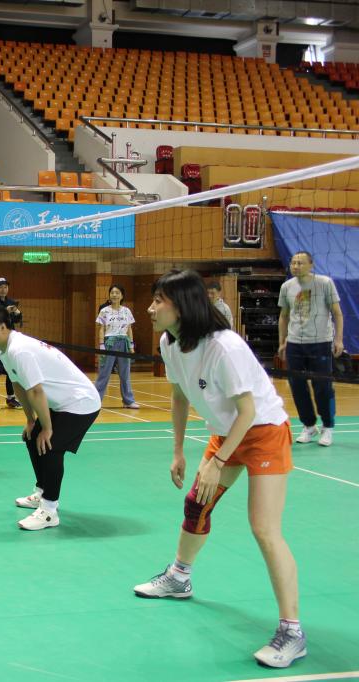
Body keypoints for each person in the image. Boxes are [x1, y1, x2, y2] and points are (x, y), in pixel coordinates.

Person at [134, 269, 305, 670]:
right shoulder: (169, 342)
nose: (150, 308)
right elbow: (179, 396)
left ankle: (293, 632)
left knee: (264, 528)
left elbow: (247, 411)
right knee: (197, 504)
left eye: (159, 301)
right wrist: (178, 450)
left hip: (262, 431)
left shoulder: (224, 347)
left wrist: (218, 462)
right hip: (227, 432)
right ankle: (179, 577)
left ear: (182, 306)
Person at [0, 303, 101, 531]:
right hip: (62, 403)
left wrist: (48, 428)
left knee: (50, 445)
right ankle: (43, 492)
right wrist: (31, 420)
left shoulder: (19, 350)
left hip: (81, 402)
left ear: (2, 327)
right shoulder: (4, 350)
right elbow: (18, 385)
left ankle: (49, 511)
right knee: (32, 436)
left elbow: (36, 391)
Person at [277, 251, 344, 447]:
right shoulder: (287, 287)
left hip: (320, 342)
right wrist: (282, 341)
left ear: (311, 265)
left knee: (322, 386)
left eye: (300, 263)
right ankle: (309, 425)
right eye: (293, 263)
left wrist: (338, 340)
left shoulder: (325, 283)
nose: (295, 266)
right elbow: (283, 315)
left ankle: (328, 426)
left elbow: (337, 313)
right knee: (297, 387)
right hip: (295, 344)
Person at [94, 284, 140, 409]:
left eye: (117, 293)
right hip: (109, 343)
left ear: (122, 296)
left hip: (124, 343)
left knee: (125, 374)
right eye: (112, 292)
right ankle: (95, 401)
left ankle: (128, 401)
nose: (114, 295)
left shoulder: (127, 311)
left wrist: (131, 345)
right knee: (104, 374)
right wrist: (102, 345)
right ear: (109, 295)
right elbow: (101, 329)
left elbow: (129, 329)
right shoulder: (104, 311)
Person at [0, 277, 21, 410]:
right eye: (0, 287)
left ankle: (11, 398)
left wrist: (17, 313)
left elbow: (17, 320)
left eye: (5, 287)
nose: (3, 289)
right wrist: (4, 311)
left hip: (8, 341)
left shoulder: (11, 302)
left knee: (10, 371)